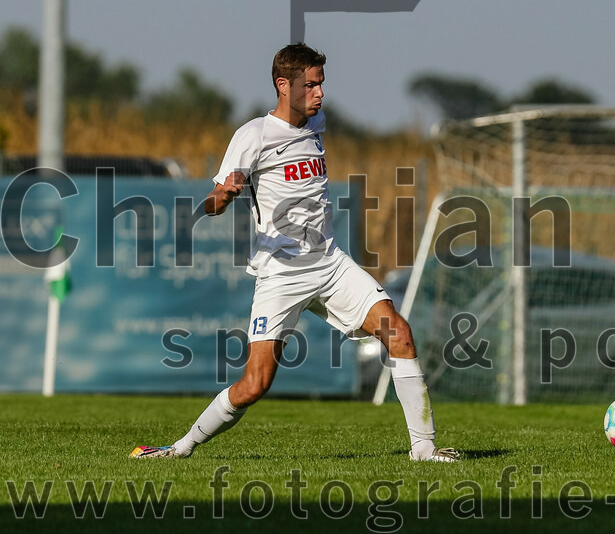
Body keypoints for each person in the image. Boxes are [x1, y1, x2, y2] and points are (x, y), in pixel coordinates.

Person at [131, 43, 458, 462]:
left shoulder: (316, 121)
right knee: (255, 384)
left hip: (331, 263)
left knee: (398, 332)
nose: (320, 94)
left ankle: (424, 451)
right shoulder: (253, 135)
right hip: (282, 273)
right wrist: (226, 195)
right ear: (283, 86)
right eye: (311, 85)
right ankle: (179, 448)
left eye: (322, 84)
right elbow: (212, 200)